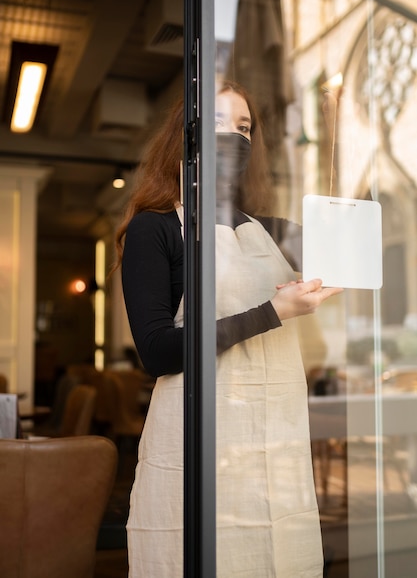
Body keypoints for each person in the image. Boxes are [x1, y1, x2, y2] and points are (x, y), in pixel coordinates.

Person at [114, 80, 343, 577]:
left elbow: (347, 244)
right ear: (186, 134)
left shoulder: (273, 230)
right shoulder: (154, 228)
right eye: (218, 122)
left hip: (272, 441)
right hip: (197, 440)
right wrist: (273, 312)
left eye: (244, 127)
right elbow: (157, 351)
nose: (234, 136)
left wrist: (338, 135)